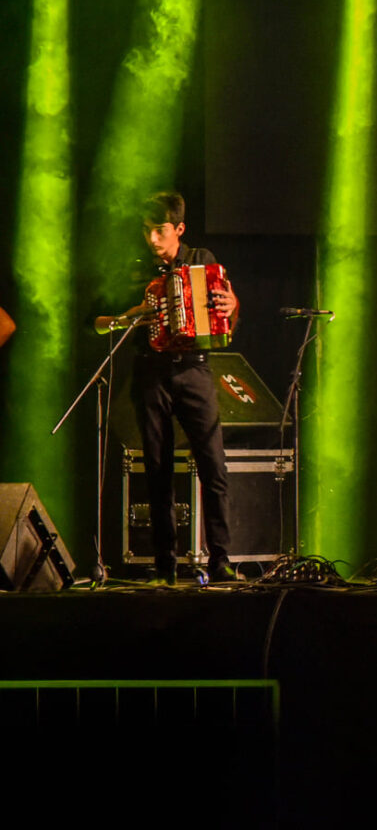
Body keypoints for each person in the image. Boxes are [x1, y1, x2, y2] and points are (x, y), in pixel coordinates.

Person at [128, 192, 238, 584]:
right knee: (158, 469)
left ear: (179, 229)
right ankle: (166, 565)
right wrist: (136, 314)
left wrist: (232, 305)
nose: (152, 239)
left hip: (194, 368)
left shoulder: (202, 260)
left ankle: (220, 560)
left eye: (159, 230)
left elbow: (226, 312)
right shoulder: (134, 270)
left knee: (213, 465)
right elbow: (101, 321)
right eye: (147, 230)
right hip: (151, 372)